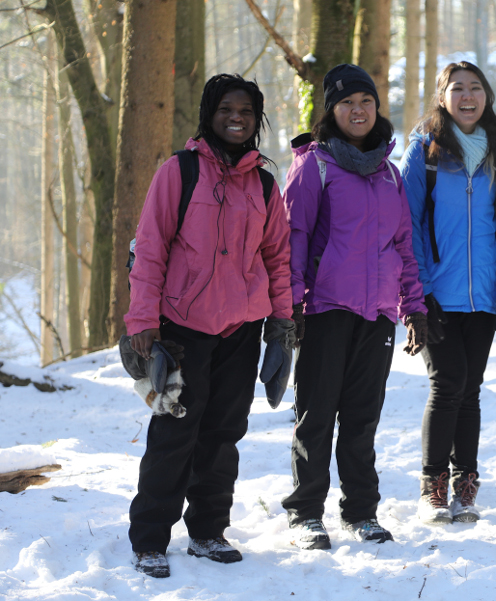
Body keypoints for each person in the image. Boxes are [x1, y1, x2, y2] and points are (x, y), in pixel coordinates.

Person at [124, 74, 294, 577]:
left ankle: (207, 531)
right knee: (175, 433)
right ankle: (150, 538)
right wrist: (143, 323)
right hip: (182, 327)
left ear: (256, 118)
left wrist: (282, 323)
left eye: (246, 110)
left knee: (223, 432)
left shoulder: (264, 182)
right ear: (209, 114)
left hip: (242, 328)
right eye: (226, 109)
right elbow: (149, 249)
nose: (236, 117)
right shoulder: (179, 172)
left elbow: (278, 257)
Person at [282, 64, 427, 549]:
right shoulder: (314, 165)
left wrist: (414, 307)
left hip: (379, 312)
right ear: (333, 111)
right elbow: (294, 238)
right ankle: (305, 513)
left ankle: (361, 512)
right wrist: (292, 305)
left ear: (376, 107)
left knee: (362, 418)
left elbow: (403, 244)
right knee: (317, 414)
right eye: (347, 103)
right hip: (324, 309)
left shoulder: (388, 171)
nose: (358, 110)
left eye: (365, 101)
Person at [399, 62, 496, 525]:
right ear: (442, 97)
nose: (468, 96)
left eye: (476, 88)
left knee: (469, 390)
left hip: (484, 296)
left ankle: (465, 485)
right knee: (447, 383)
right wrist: (419, 294)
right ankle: (432, 485)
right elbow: (407, 226)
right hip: (437, 295)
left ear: (487, 97)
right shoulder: (424, 154)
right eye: (458, 88)